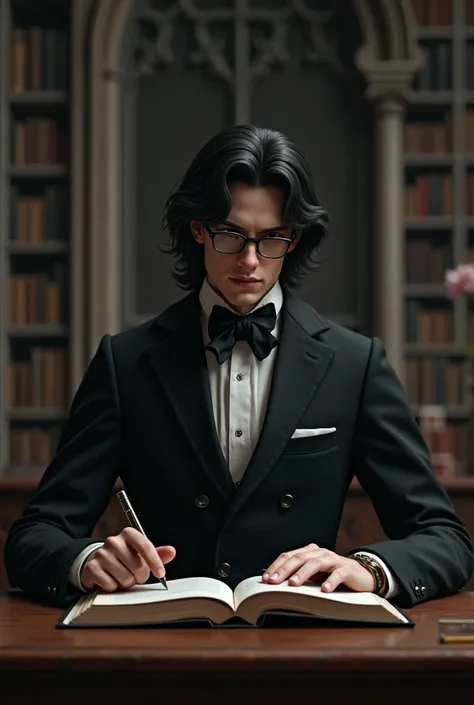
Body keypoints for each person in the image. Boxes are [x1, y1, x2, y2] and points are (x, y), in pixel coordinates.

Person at [4, 125, 474, 609]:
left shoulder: (355, 364)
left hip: (305, 648)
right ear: (198, 229)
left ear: (294, 239)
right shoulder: (126, 364)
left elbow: (445, 539)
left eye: (272, 238)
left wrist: (369, 568)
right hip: (161, 652)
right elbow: (35, 536)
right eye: (230, 234)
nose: (250, 260)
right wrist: (86, 561)